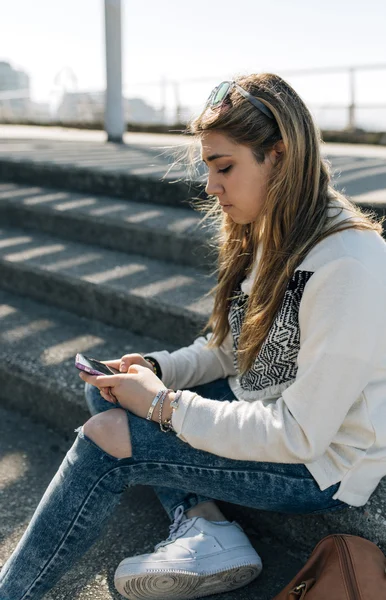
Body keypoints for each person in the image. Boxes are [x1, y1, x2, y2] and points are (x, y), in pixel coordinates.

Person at [1, 73, 386, 600]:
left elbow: (300, 436)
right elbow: (233, 352)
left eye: (224, 166)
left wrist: (162, 405)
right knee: (108, 388)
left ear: (278, 156)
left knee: (105, 439)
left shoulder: (349, 265)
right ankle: (207, 527)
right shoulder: (280, 226)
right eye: (208, 167)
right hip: (264, 406)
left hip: (318, 468)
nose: (210, 186)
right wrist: (158, 371)